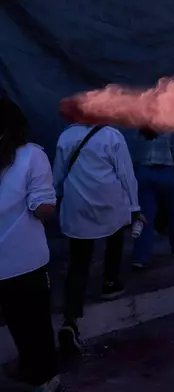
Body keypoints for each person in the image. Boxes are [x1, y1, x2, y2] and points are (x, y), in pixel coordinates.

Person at [52, 121, 140, 358]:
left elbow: (57, 176)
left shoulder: (66, 135)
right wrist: (134, 206)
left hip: (77, 207)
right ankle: (110, 283)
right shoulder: (112, 135)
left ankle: (70, 319)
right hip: (109, 204)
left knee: (78, 260)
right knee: (115, 237)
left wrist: (58, 197)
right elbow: (125, 173)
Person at [0, 98, 64, 391]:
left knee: (16, 321)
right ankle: (44, 379)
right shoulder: (32, 156)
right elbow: (42, 208)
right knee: (35, 327)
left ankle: (28, 367)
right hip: (25, 260)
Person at [130, 128, 174, 269]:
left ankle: (140, 257)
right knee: (173, 213)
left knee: (144, 216)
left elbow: (134, 152)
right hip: (166, 173)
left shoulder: (140, 125)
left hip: (144, 173)